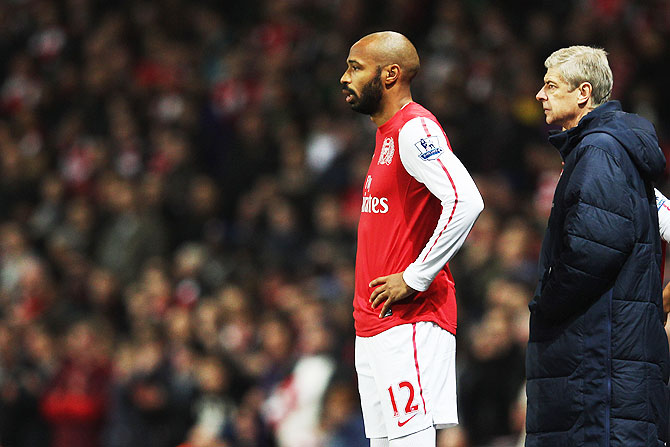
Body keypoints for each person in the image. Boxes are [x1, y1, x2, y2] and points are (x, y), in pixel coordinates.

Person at [340, 31, 483, 447]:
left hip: (411, 319)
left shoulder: (413, 128)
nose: (344, 78)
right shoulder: (385, 135)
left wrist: (416, 277)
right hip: (374, 323)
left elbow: (465, 200)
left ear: (390, 74)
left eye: (355, 67)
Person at [526, 45, 670, 447]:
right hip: (612, 357)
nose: (540, 94)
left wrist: (545, 304)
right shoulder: (610, 149)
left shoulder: (600, 151)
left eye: (551, 85)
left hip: (598, 364)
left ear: (583, 93)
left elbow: (593, 249)